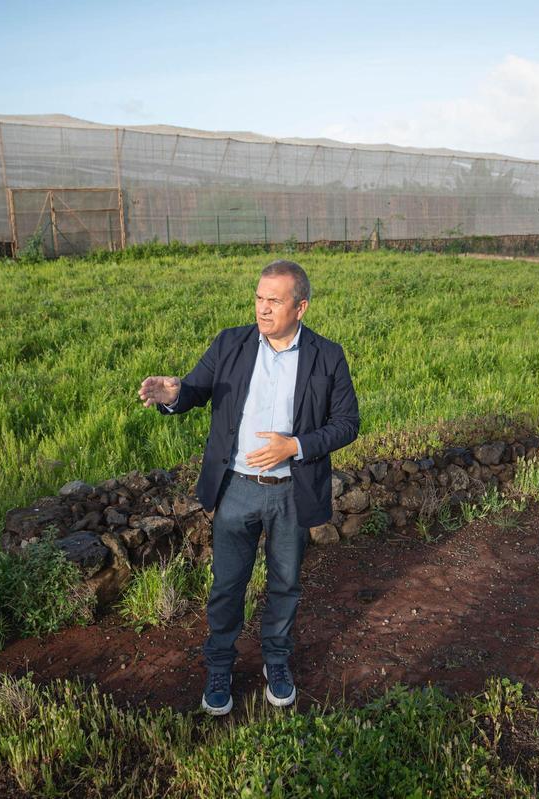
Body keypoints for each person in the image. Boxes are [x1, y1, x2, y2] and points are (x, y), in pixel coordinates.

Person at [138, 259, 359, 715]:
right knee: (227, 586)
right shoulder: (231, 343)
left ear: (301, 307)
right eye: (259, 298)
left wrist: (294, 446)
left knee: (285, 585)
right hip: (235, 490)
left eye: (273, 300)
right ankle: (219, 665)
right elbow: (195, 389)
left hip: (290, 493)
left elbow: (347, 424)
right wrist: (172, 395)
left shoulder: (328, 356)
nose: (262, 308)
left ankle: (276, 661)